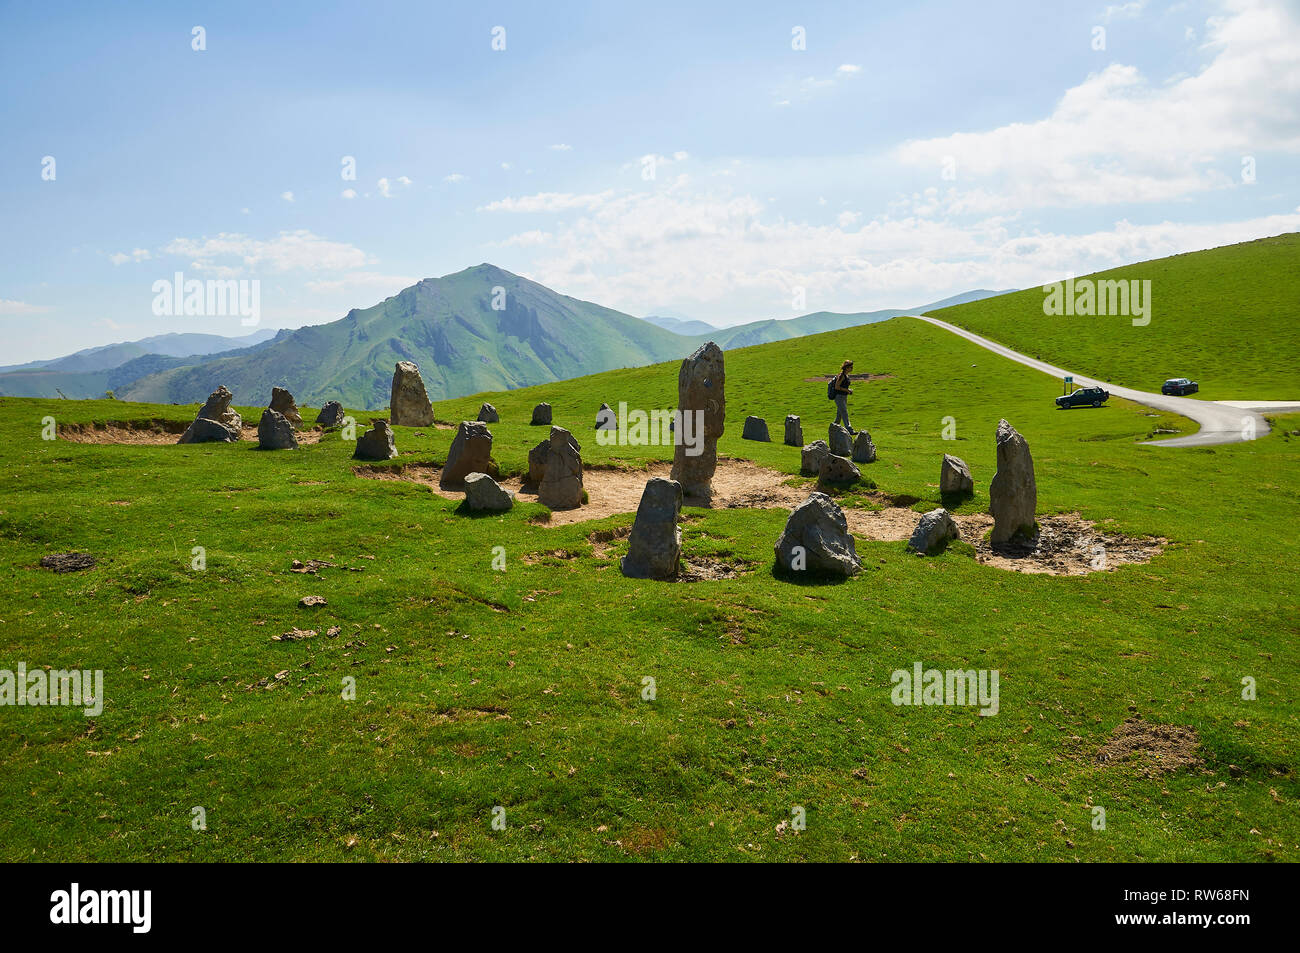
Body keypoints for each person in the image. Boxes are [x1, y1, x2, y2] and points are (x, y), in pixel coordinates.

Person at [832, 359, 855, 433]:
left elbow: (843, 386)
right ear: (846, 368)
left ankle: (833, 427)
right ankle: (849, 429)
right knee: (844, 412)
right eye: (851, 367)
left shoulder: (846, 375)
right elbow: (837, 387)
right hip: (839, 397)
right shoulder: (841, 376)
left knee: (839, 415)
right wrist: (847, 391)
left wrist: (848, 390)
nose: (852, 369)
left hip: (844, 397)